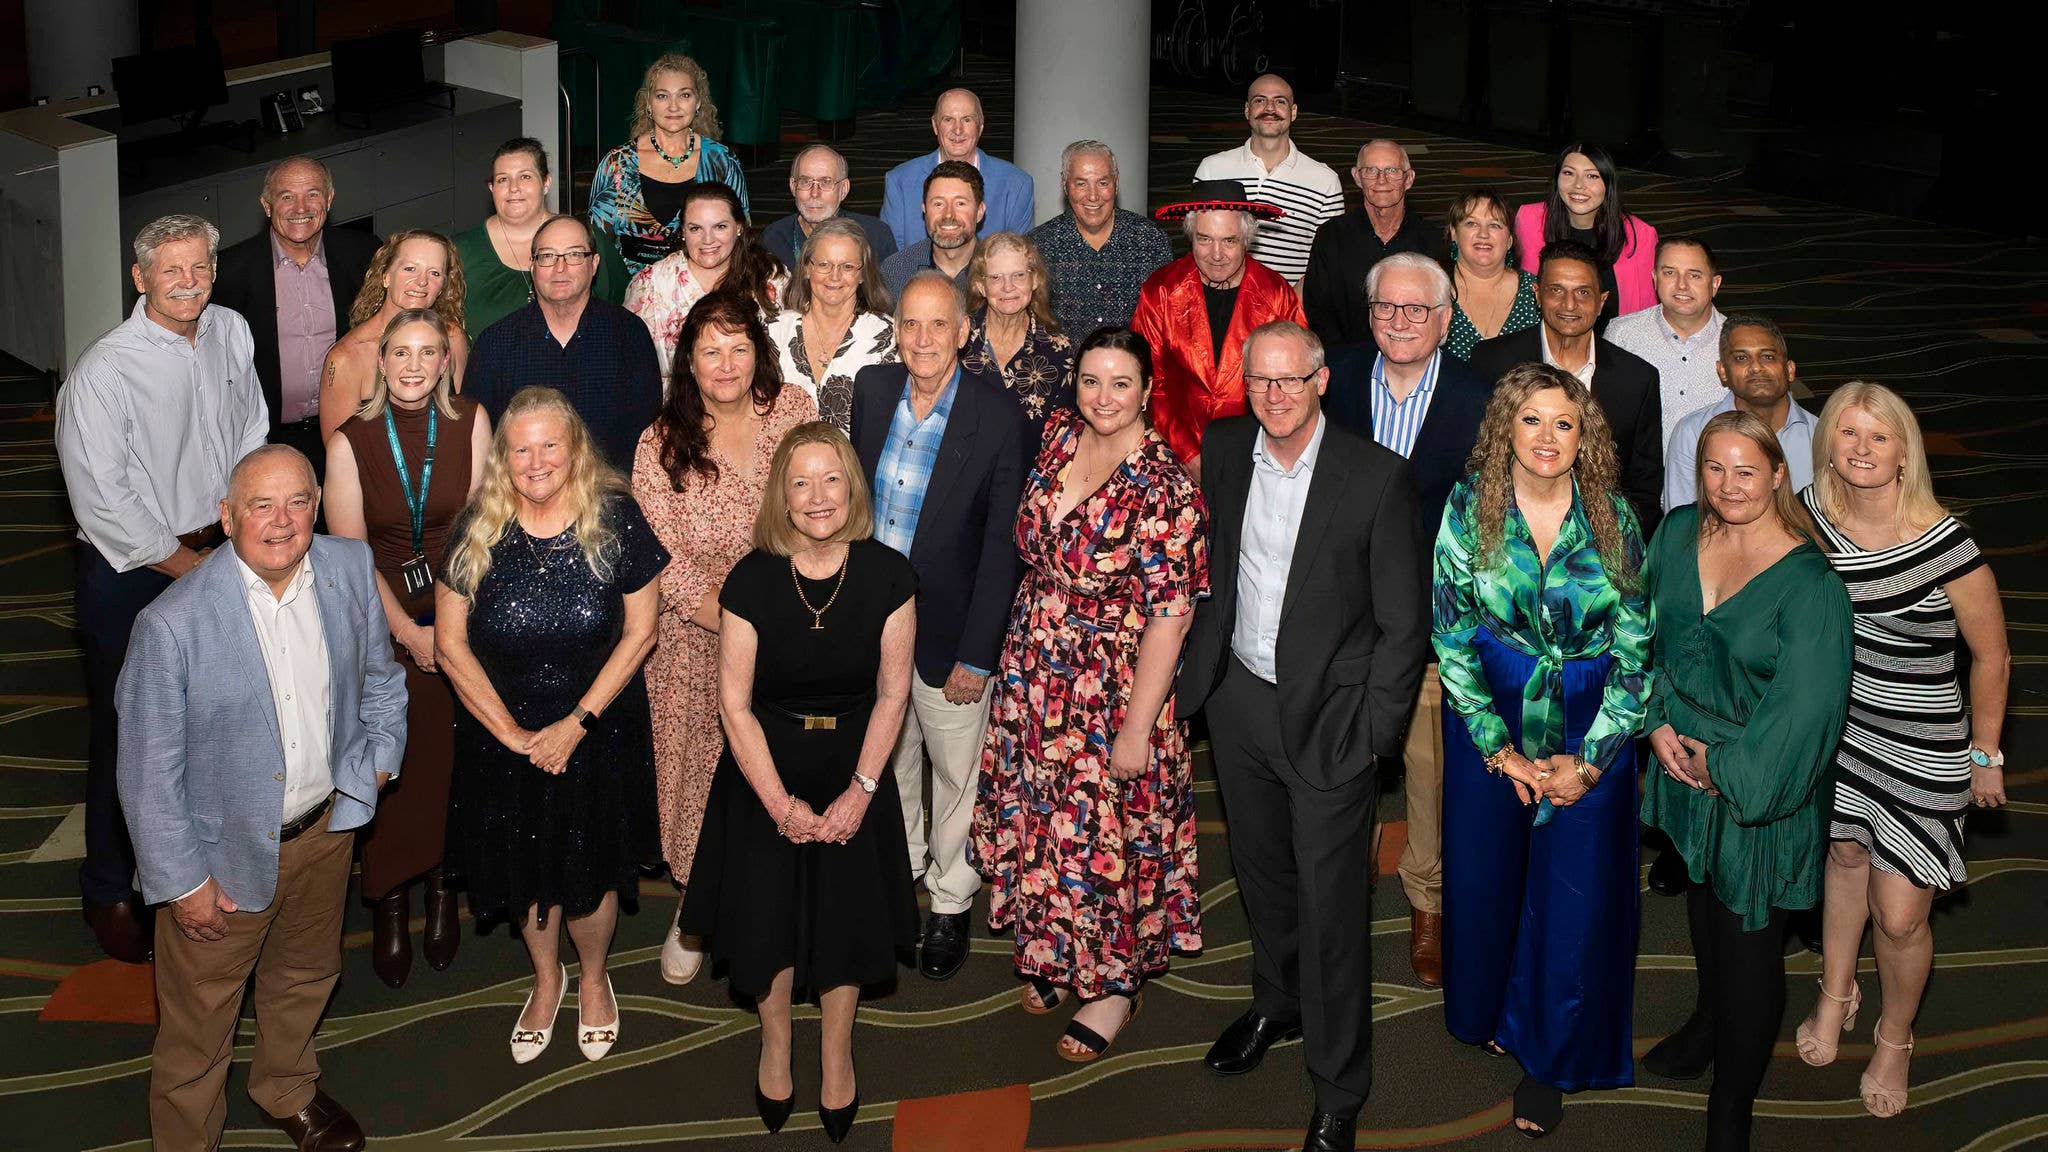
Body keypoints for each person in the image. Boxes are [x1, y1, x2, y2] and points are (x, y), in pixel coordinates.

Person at [1177, 321, 1425, 1152]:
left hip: (1332, 724)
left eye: (1290, 381)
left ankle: (1339, 1085)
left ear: (1322, 381)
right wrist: (1200, 691)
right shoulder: (1221, 449)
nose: (1274, 397)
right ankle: (1276, 1003)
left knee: (1332, 915)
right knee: (1262, 878)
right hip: (1239, 707)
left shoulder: (1378, 479)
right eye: (1260, 382)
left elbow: (1402, 626)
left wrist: (1373, 737)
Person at [118, 444, 406, 1152]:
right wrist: (183, 882)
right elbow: (147, 772)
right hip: (220, 864)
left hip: (327, 832)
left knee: (306, 977)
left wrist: (375, 768)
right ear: (225, 516)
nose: (282, 522)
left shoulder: (346, 570)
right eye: (261, 505)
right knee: (199, 1025)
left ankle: (286, 1087)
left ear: (317, 504)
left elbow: (380, 679)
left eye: (298, 502)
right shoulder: (172, 624)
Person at [677, 422, 919, 1143]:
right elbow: (734, 704)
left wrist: (862, 790)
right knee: (767, 917)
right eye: (800, 482)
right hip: (765, 767)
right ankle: (776, 1038)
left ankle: (837, 1048)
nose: (818, 497)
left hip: (856, 763)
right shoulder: (751, 580)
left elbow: (892, 694)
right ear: (781, 496)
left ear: (853, 487)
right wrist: (778, 802)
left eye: (832, 479)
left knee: (846, 916)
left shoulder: (889, 576)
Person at [974, 326, 1208, 1066]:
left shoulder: (1165, 486)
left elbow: (1172, 619)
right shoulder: (1057, 436)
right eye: (1090, 380)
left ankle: (1112, 985)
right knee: (1044, 821)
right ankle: (1053, 948)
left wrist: (1138, 727)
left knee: (1103, 837)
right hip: (1035, 675)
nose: (1103, 397)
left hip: (1111, 685)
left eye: (1120, 383)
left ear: (1147, 392)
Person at [1431, 364, 1651, 1138]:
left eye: (1565, 422)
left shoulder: (1616, 517)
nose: (1548, 438)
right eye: (1531, 420)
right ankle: (1491, 1009)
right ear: (1505, 429)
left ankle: (1552, 1059)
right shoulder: (1467, 509)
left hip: (1595, 718)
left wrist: (1590, 761)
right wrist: (1500, 749)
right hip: (1490, 711)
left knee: (1575, 897)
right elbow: (1452, 636)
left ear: (1584, 434)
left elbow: (1637, 652)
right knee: (1488, 877)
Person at [56, 213, 269, 964]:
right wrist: (193, 565)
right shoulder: (102, 372)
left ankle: (200, 868)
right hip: (131, 575)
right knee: (130, 734)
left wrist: (244, 536)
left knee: (216, 722)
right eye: (170, 270)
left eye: (199, 267)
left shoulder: (232, 332)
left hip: (223, 550)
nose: (188, 282)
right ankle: (111, 887)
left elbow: (251, 433)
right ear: (140, 278)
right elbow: (104, 502)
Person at [1793, 381, 2009, 1120]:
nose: (1860, 448)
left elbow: (1993, 657)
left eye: (1878, 436)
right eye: (1847, 433)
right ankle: (1836, 991)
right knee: (1844, 858)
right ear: (1828, 443)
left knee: (1901, 916)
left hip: (1922, 746)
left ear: (1903, 450)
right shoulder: (1807, 514)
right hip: (1839, 734)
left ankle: (1895, 1035)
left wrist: (1986, 753)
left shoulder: (1946, 541)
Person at [1638, 411, 1853, 1150]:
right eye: (1714, 468)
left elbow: (1807, 712)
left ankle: (1733, 1104)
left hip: (1757, 783)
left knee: (1749, 943)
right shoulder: (1675, 533)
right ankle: (1706, 1021)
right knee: (1701, 899)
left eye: (1746, 471)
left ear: (1778, 476)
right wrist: (1658, 722)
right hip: (1677, 752)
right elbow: (1642, 633)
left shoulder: (1810, 582)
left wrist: (1722, 768)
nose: (1728, 486)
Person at [435, 386, 668, 1066]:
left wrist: (577, 723)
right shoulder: (477, 523)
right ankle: (546, 980)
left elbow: (641, 632)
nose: (536, 461)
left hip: (597, 730)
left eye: (550, 446)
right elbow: (450, 645)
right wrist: (509, 733)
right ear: (504, 458)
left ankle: (594, 978)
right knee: (526, 869)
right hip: (502, 732)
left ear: (575, 450)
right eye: (521, 448)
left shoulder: (616, 515)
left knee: (589, 867)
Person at [849, 271, 1032, 983]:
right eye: (910, 325)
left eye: (938, 326)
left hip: (953, 631)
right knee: (889, 762)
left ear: (964, 331)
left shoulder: (999, 415)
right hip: (875, 626)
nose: (922, 340)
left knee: (958, 776)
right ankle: (906, 874)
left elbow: (1002, 549)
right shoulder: (872, 391)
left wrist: (978, 654)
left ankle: (951, 901)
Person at [631, 293, 817, 987]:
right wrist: (740, 627)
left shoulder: (794, 411)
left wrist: (785, 618)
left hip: (797, 626)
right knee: (704, 787)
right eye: (710, 349)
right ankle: (694, 910)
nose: (726, 363)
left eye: (739, 347)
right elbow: (659, 557)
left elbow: (822, 505)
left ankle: (781, 909)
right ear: (688, 360)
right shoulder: (661, 440)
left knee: (786, 777)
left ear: (760, 353)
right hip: (695, 643)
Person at [1321, 252, 1491, 989]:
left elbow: (1488, 517)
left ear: (1445, 320)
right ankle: (1337, 885)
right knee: (1334, 756)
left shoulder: (1478, 398)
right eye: (1387, 308)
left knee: (1427, 770)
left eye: (1416, 310)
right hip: (1337, 611)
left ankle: (1427, 902)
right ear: (1369, 314)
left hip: (1431, 624)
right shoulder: (1330, 376)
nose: (1399, 322)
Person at [324, 308, 491, 988]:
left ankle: (446, 885)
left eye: (430, 352)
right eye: (402, 353)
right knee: (392, 755)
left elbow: (483, 531)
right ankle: (392, 897)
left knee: (454, 755)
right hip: (381, 619)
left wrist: (449, 631)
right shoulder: (349, 440)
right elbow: (350, 557)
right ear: (381, 363)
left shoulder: (471, 422)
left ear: (446, 363)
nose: (416, 365)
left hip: (462, 605)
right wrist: (409, 634)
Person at [1471, 239, 1664, 532]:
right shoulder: (1491, 363)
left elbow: (1644, 486)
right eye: (1556, 290)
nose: (1569, 305)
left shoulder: (1637, 379)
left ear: (1601, 301)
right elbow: (1475, 459)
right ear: (1537, 294)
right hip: (1504, 536)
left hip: (1602, 546)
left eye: (1583, 293)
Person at [211, 156, 381, 471]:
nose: (300, 207)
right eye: (287, 196)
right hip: (266, 440)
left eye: (312, 194)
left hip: (353, 430)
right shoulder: (230, 272)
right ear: (266, 205)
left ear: (329, 199)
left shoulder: (365, 254)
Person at [1132, 181, 1305, 481]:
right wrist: (1187, 454)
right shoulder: (1160, 290)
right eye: (1204, 239)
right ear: (1190, 237)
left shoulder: (1277, 294)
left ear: (1247, 240)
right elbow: (1147, 380)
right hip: (1171, 454)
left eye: (1229, 241)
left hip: (1258, 457)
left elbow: (1295, 382)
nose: (1216, 254)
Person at [463, 215, 664, 470]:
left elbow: (647, 439)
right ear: (532, 266)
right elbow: (476, 445)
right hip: (521, 498)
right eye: (547, 256)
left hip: (608, 497)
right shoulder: (494, 345)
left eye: (574, 255)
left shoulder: (629, 335)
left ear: (594, 264)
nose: (560, 268)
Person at [590, 54, 751, 276]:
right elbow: (595, 244)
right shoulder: (617, 164)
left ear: (698, 102)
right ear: (648, 103)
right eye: (662, 96)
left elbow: (742, 234)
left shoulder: (722, 162)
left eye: (684, 95)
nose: (673, 106)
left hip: (703, 285)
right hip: (625, 287)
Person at [454, 138, 630, 336]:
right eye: (503, 179)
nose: (514, 188)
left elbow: (624, 313)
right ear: (492, 188)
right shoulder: (459, 251)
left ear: (546, 183)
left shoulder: (586, 241)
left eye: (525, 177)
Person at [317, 230, 471, 442]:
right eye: (410, 269)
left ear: (444, 285)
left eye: (434, 273)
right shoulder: (347, 358)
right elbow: (339, 454)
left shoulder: (452, 338)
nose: (422, 282)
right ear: (386, 276)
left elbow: (464, 422)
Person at [1194, 73, 1345, 286]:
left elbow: (1328, 261)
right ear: (1247, 110)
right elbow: (1200, 245)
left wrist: (1291, 308)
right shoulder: (1212, 168)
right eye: (1260, 100)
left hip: (1288, 310)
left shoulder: (1325, 181)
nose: (1270, 108)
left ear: (1293, 112)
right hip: (1220, 304)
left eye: (1280, 101)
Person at [624, 181, 787, 378]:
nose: (707, 239)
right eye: (695, 228)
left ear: (739, 227)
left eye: (720, 226)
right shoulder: (649, 285)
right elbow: (629, 368)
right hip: (674, 405)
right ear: (683, 232)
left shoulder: (770, 278)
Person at [1663, 314, 1816, 510]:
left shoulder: (1821, 434)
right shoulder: (1692, 432)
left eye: (1768, 356)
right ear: (1723, 371)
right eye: (1741, 358)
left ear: (1790, 370)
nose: (1756, 367)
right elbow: (1683, 525)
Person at [1303, 139, 1446, 346]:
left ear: (1409, 179)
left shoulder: (1431, 240)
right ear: (1357, 177)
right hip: (1344, 362)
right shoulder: (1332, 235)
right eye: (1371, 170)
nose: (1381, 180)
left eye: (1392, 171)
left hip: (1412, 358)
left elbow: (1438, 311)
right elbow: (1317, 310)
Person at [1028, 140, 1172, 341]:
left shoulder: (1150, 240)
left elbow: (1168, 321)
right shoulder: (1038, 246)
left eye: (1103, 183)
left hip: (1135, 369)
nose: (1093, 196)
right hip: (1064, 371)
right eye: (1081, 184)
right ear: (1065, 184)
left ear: (1116, 183)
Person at [767, 217, 900, 433]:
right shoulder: (773, 331)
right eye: (823, 264)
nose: (834, 276)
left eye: (847, 266)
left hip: (856, 465)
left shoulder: (889, 337)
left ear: (862, 274)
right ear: (807, 269)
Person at [1513, 143, 1658, 328]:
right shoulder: (1528, 220)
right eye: (1568, 173)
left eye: (1592, 176)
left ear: (1608, 184)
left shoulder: (1640, 235)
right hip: (1541, 341)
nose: (1579, 185)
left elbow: (1646, 311)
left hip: (1612, 346)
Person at [1604, 235, 1727, 443]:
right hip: (1641, 471)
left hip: (1715, 472)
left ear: (1715, 284)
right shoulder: (1622, 335)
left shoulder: (1737, 341)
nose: (1681, 285)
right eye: (1669, 273)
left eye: (1694, 275)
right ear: (1654, 278)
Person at [879, 87, 1034, 247]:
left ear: (980, 127)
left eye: (967, 119)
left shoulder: (1017, 184)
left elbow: (1019, 256)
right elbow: (891, 256)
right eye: (948, 119)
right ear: (935, 125)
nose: (958, 130)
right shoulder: (900, 181)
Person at [962, 231, 1076, 423]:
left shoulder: (1059, 349)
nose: (1008, 287)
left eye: (1019, 275)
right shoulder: (958, 339)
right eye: (996, 277)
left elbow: (1062, 432)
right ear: (981, 286)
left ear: (1035, 280)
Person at [759, 143, 898, 271]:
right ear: (793, 187)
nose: (814, 193)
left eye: (826, 182)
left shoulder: (875, 236)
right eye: (805, 181)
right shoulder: (774, 239)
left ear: (843, 190)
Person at [1441, 188, 1541, 361]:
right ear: (1454, 233)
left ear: (1510, 239)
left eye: (1494, 225)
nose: (1483, 234)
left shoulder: (1535, 290)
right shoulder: (1432, 289)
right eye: (1471, 223)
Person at [880, 160, 986, 302]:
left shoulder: (999, 271)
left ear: (979, 212)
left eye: (960, 204)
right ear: (924, 209)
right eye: (938, 204)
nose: (948, 214)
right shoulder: (896, 271)